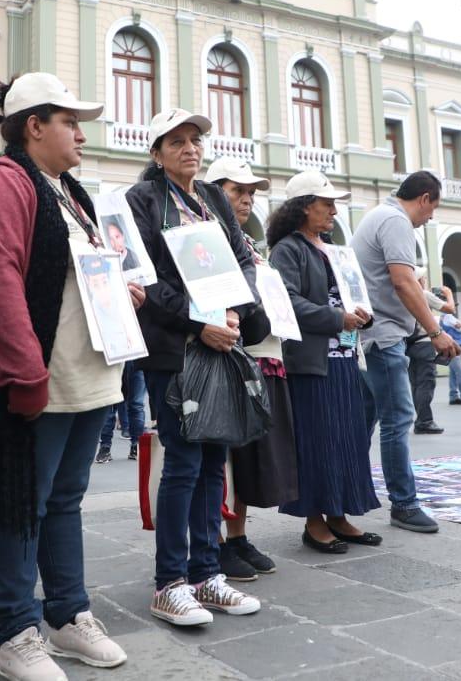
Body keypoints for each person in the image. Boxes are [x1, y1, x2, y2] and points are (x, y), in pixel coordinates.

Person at [0, 72, 136, 680]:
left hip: (89, 375)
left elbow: (77, 273)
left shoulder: (70, 192)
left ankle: (66, 614)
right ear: (33, 126)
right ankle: (14, 630)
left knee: (64, 500)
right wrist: (22, 372)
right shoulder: (2, 185)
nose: (82, 134)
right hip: (42, 378)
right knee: (21, 504)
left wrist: (120, 289)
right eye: (70, 121)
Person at [127, 108, 263, 626]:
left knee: (213, 463)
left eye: (196, 140)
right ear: (157, 151)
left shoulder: (209, 198)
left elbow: (242, 260)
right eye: (177, 141)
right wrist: (194, 319)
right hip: (175, 346)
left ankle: (207, 574)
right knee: (182, 463)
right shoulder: (144, 200)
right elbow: (142, 278)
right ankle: (170, 582)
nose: (190, 148)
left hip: (220, 342)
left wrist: (235, 308)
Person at [271, 170, 382, 550]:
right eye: (327, 203)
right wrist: (337, 318)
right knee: (317, 440)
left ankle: (339, 514)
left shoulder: (333, 247)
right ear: (304, 207)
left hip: (345, 356)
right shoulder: (288, 249)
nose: (334, 211)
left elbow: (352, 294)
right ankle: (314, 520)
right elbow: (285, 300)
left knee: (346, 438)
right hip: (312, 362)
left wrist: (362, 314)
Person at [208, 156, 297, 582]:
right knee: (224, 459)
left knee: (248, 456)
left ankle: (237, 535)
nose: (246, 199)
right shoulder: (209, 238)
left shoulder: (246, 242)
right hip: (224, 357)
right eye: (236, 190)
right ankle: (217, 543)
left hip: (262, 356)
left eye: (251, 192)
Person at [353, 171, 457, 534]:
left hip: (373, 336)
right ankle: (404, 503)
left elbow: (404, 281)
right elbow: (402, 281)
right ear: (425, 198)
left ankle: (346, 492)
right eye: (433, 208)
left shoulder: (378, 215)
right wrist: (435, 332)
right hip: (383, 337)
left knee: (363, 421)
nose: (430, 217)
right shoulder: (397, 222)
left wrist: (436, 313)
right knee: (398, 418)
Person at [404, 271, 453, 434]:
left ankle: (421, 419)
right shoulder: (422, 293)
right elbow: (449, 308)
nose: (425, 280)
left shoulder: (404, 293)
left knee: (415, 383)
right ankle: (425, 421)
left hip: (409, 344)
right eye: (423, 277)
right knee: (426, 383)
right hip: (425, 343)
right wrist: (449, 294)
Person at [96, 361, 146, 463]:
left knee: (132, 405)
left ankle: (134, 445)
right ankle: (134, 446)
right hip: (121, 358)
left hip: (131, 357)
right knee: (133, 405)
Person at [442, 312, 461, 406]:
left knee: (453, 373)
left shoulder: (448, 317)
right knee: (460, 371)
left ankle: (453, 396)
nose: (454, 307)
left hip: (456, 347)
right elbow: (459, 325)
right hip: (453, 347)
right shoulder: (447, 316)